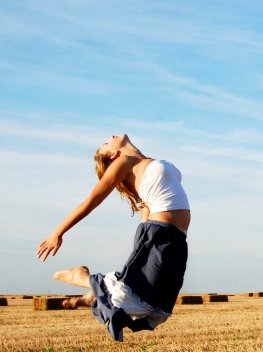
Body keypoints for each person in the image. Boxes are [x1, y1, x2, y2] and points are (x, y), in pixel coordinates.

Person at [37, 134, 190, 341]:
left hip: (177, 238)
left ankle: (94, 296)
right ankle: (82, 277)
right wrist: (58, 232)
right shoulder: (124, 162)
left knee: (157, 298)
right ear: (113, 154)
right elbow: (92, 200)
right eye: (106, 144)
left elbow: (149, 198)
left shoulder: (148, 161)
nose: (110, 137)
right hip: (159, 233)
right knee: (141, 295)